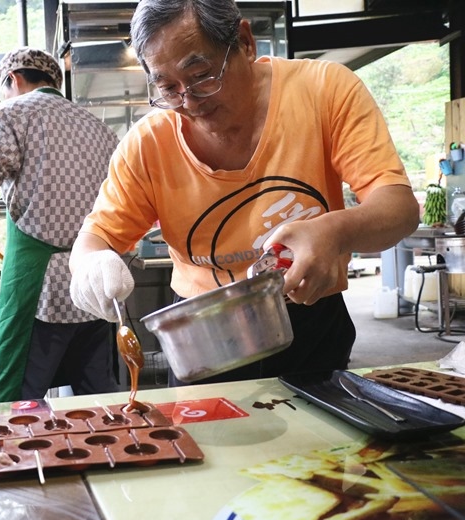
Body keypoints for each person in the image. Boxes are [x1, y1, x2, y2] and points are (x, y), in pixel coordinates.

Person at [68, 0, 419, 385]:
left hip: (310, 315)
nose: (189, 103)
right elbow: (96, 237)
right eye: (168, 88)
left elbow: (398, 206)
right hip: (201, 331)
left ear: (246, 43)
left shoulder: (324, 90)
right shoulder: (147, 145)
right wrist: (91, 265)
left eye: (201, 76)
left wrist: (334, 231)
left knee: (324, 441)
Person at [0, 46, 121, 403]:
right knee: (97, 401)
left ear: (12, 79)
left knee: (14, 402)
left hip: (39, 287)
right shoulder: (100, 129)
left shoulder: (12, 114)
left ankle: (13, 459)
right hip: (93, 282)